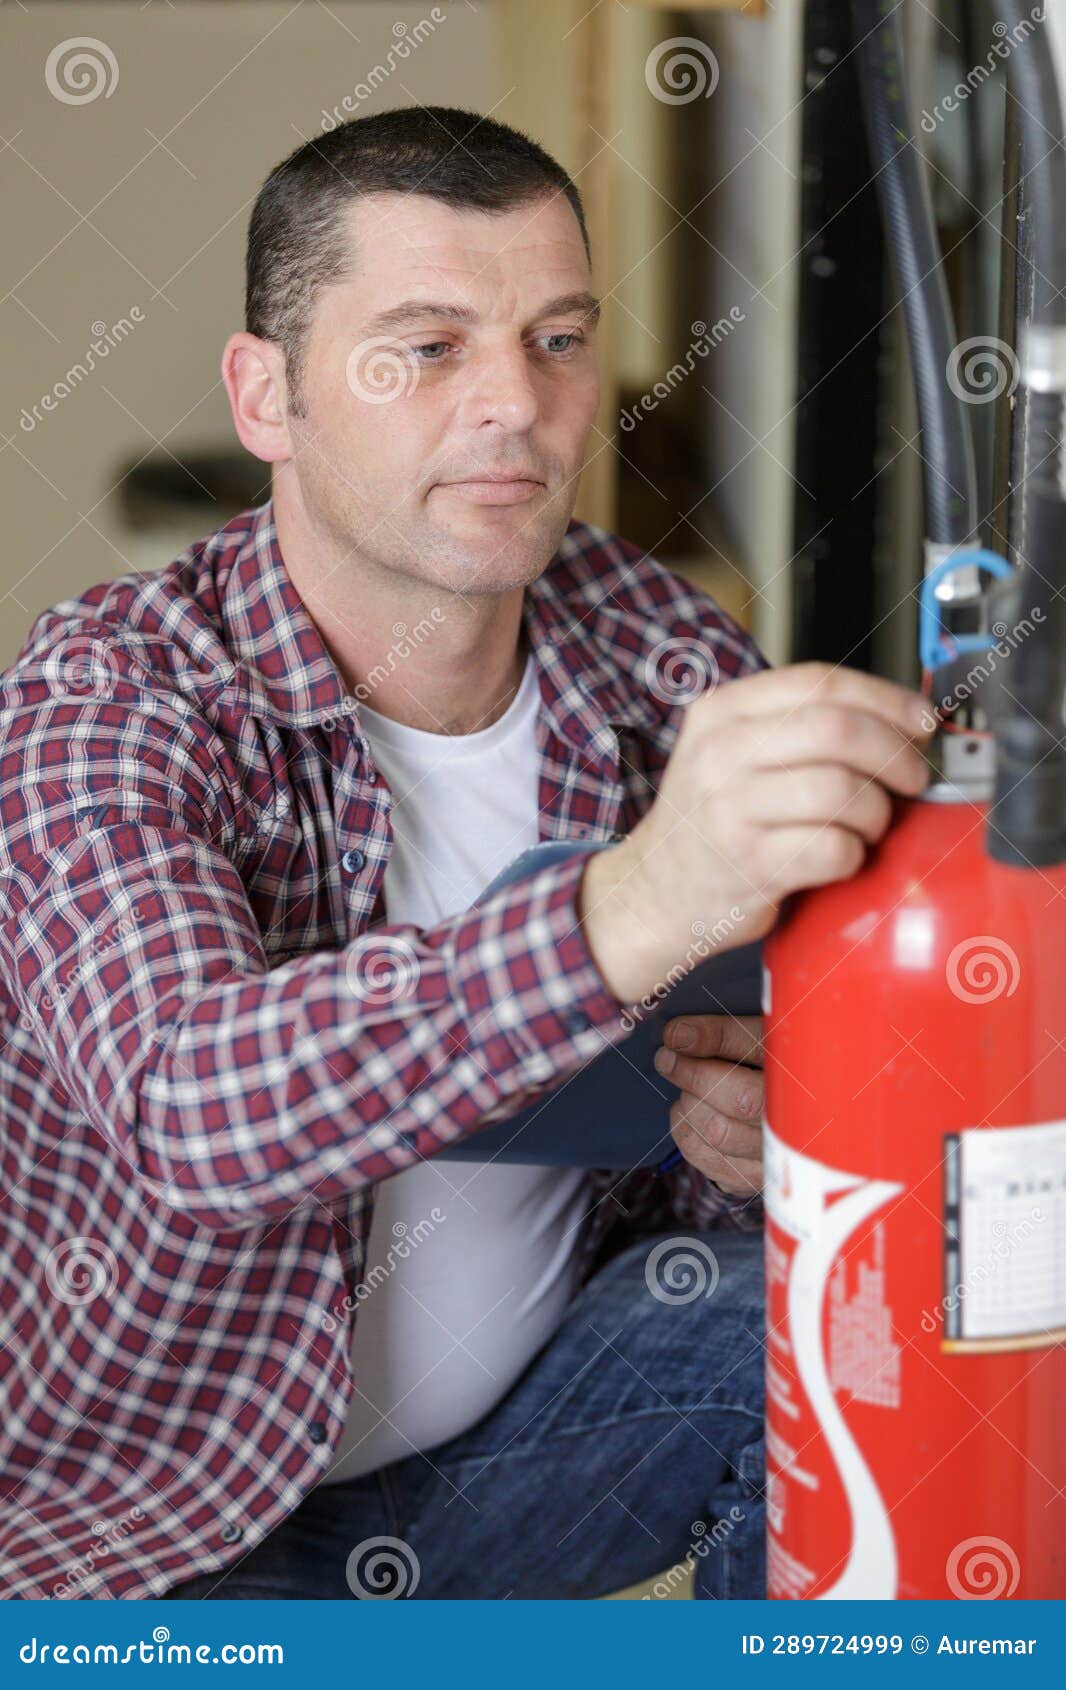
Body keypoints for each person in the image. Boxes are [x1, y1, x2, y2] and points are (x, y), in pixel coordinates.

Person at [0, 106, 933, 1601]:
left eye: (557, 341)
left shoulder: (661, 653)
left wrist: (777, 1139)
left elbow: (758, 1105)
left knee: (834, 1304)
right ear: (266, 395)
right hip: (136, 1543)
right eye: (427, 349)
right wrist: (625, 909)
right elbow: (187, 1107)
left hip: (503, 1472)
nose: (514, 403)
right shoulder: (107, 695)